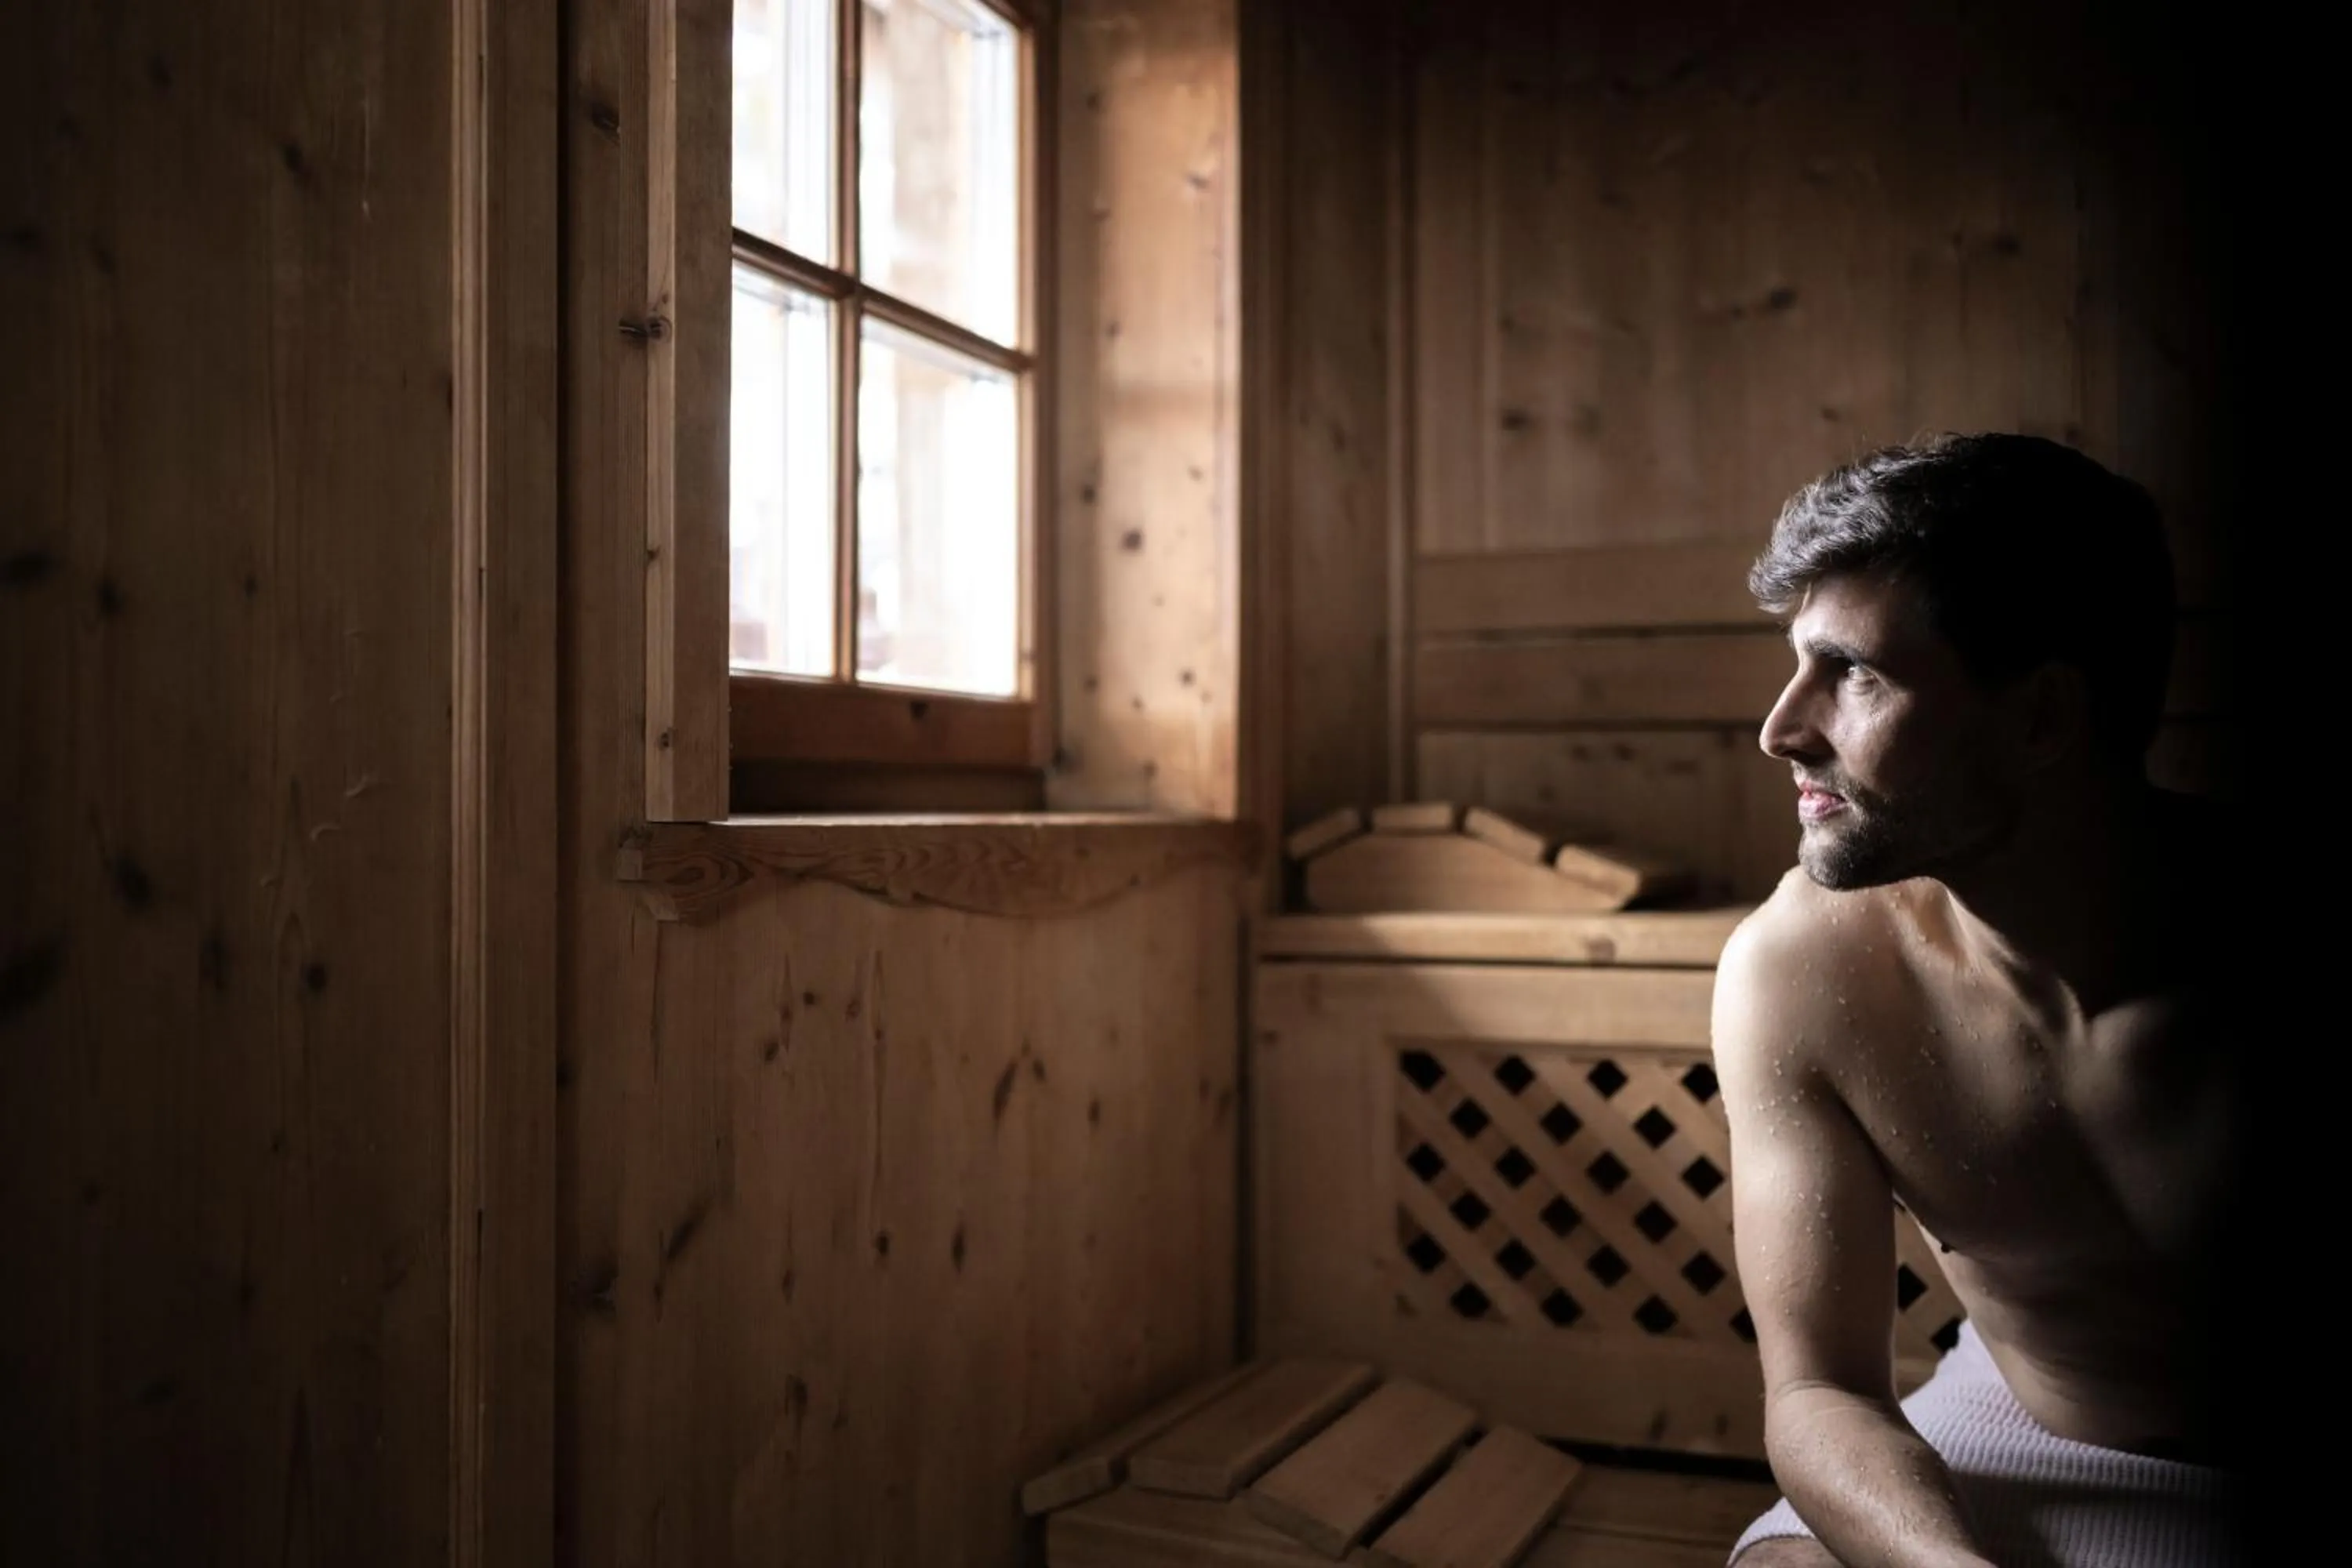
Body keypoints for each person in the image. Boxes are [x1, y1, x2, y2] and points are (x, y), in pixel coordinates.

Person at [1714, 434, 2249, 1566]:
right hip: (2022, 1412)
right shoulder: (1803, 970)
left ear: (2044, 718)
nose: (1783, 728)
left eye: (1854, 673)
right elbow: (1819, 1389)